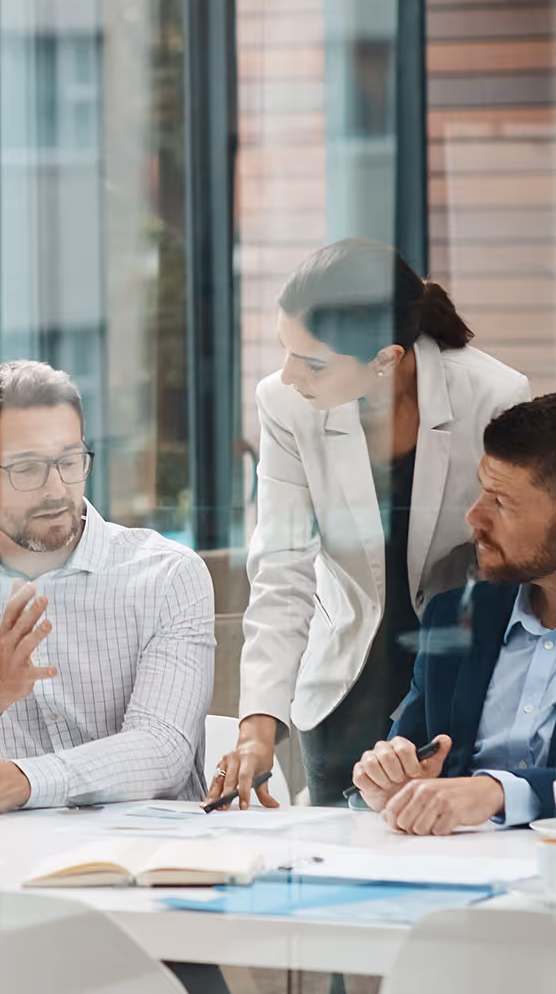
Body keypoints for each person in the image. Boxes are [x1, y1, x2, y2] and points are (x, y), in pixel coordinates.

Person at [210, 238, 530, 810]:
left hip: (457, 676)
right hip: (345, 685)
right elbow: (281, 570)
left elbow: (510, 557)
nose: (286, 376)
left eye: (310, 362)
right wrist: (256, 731)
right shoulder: (284, 405)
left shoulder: (494, 396)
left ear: (386, 359)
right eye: (286, 350)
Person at [0, 360, 215, 818]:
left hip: (151, 866)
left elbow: (162, 752)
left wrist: (21, 780)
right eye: (26, 469)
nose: (56, 488)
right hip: (9, 862)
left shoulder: (168, 577)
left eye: (70, 462)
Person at [351, 392, 556, 833]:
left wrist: (499, 792)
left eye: (501, 503)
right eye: (483, 491)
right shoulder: (454, 615)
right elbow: (410, 749)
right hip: (447, 872)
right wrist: (389, 778)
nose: (475, 516)